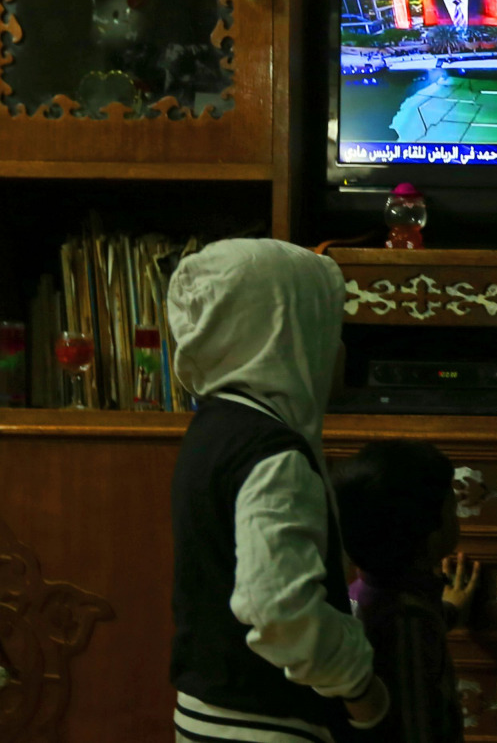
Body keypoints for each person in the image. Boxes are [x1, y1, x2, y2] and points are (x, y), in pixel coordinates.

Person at [168, 239, 390, 742]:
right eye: (328, 327)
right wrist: (360, 686)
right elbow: (277, 610)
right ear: (283, 333)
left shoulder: (215, 427)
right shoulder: (272, 453)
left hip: (206, 712)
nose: (339, 349)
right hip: (263, 725)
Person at [333, 440, 481, 743]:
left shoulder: (358, 593)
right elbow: (417, 724)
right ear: (433, 532)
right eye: (452, 509)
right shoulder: (408, 624)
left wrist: (449, 611)